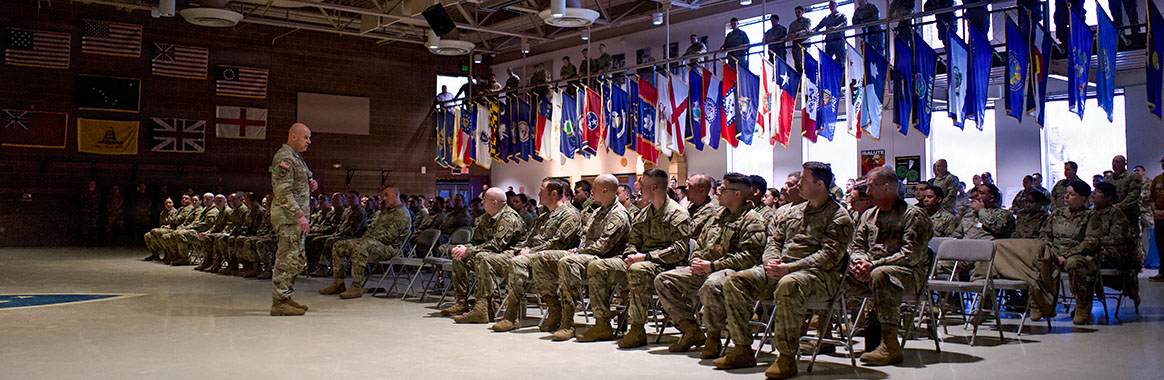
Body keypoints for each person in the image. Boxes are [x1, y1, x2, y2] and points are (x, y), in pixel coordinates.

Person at [713, 162, 854, 378]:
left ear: (819, 184)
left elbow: (829, 256)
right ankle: (742, 349)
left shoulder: (839, 216)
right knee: (736, 280)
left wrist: (790, 268)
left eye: (804, 180)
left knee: (790, 284)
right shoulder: (792, 212)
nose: (798, 185)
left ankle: (786, 358)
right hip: (783, 270)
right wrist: (771, 262)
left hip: (820, 277)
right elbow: (774, 240)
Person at [654, 173, 765, 355]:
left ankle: (713, 336)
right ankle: (691, 330)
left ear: (737, 194)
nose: (718, 192)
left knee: (711, 285)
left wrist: (713, 266)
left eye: (723, 189)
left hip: (732, 272)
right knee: (664, 280)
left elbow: (749, 257)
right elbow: (699, 244)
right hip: (706, 268)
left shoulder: (752, 219)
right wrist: (696, 261)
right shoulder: (717, 217)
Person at [579, 169, 693, 347]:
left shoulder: (677, 213)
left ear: (654, 187)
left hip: (667, 265)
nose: (638, 189)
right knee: (597, 266)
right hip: (640, 261)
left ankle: (637, 329)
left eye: (643, 185)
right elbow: (632, 240)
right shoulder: (644, 213)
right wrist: (630, 255)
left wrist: (646, 257)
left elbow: (679, 251)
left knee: (638, 270)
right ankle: (602, 324)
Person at [846, 166, 933, 367]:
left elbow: (910, 255)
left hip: (908, 274)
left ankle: (890, 345)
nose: (867, 192)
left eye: (871, 186)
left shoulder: (913, 215)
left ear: (886, 187)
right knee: (835, 273)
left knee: (881, 274)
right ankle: (822, 334)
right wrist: (859, 263)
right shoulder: (869, 215)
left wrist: (872, 265)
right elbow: (856, 246)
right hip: (870, 271)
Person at [533, 174, 630, 341]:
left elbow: (602, 247)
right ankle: (555, 309)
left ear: (604, 191)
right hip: (588, 255)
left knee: (568, 262)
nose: (591, 192)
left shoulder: (618, 214)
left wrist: (578, 253)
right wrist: (578, 250)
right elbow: (585, 237)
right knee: (541, 258)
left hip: (609, 259)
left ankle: (568, 322)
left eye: (594, 189)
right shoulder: (598, 212)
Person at [491, 178, 582, 331]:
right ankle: (499, 309)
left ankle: (514, 315)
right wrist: (523, 249)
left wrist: (530, 251)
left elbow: (558, 243)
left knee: (519, 262)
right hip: (536, 255)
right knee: (504, 258)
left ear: (554, 194)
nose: (538, 194)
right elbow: (530, 238)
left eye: (541, 190)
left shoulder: (569, 214)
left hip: (557, 258)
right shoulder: (545, 215)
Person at [440, 188, 526, 321]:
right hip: (490, 253)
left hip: (511, 254)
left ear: (494, 202)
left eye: (485, 199)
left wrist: (469, 251)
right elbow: (477, 241)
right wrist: (464, 248)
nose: (482, 202)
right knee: (459, 257)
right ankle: (461, 302)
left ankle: (483, 307)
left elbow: (497, 245)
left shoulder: (508, 218)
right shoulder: (486, 217)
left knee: (482, 257)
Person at [320, 185, 411, 299]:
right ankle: (339, 283)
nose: (384, 198)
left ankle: (356, 286)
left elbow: (389, 237)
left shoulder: (402, 214)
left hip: (389, 248)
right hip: (374, 243)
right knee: (339, 245)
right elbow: (372, 228)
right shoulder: (386, 211)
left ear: (396, 195)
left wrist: (367, 239)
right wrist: (365, 238)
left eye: (387, 195)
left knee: (360, 246)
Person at [268, 122, 317, 316]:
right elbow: (283, 192)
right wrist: (299, 215)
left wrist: (310, 182)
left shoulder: (296, 157)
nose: (309, 142)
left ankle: (286, 296)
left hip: (295, 219)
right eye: (306, 137)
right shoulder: (285, 157)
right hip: (288, 218)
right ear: (293, 136)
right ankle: (279, 302)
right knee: (286, 259)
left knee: (295, 259)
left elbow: (301, 179)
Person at [1041, 180, 1099, 325]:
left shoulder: (1091, 216)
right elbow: (1045, 235)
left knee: (1074, 264)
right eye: (1067, 193)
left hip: (1079, 255)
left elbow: (1091, 241)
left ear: (1083, 198)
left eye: (1072, 194)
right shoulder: (1057, 213)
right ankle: (1040, 303)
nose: (1066, 197)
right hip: (1055, 253)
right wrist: (1054, 253)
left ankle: (1082, 306)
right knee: (1039, 260)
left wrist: (1066, 255)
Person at [1089, 182, 1139, 313]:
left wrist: (1093, 241)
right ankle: (1082, 301)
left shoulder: (1116, 214)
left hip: (1113, 253)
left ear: (1108, 197)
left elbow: (1117, 238)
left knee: (1086, 261)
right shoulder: (1089, 213)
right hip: (1093, 250)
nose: (1094, 193)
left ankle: (1084, 304)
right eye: (1095, 190)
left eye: (1099, 192)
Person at [1106, 155, 1144, 253]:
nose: (1115, 164)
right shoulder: (1108, 179)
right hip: (1112, 217)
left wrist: (1119, 206)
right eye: (1113, 162)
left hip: (1128, 215)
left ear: (1124, 164)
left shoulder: (1132, 177)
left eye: (1118, 162)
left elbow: (1133, 195)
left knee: (1131, 241)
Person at [143, 196, 180, 261]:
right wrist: (163, 226)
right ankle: (155, 254)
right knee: (147, 235)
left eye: (169, 203)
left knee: (154, 231)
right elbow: (161, 223)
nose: (168, 205)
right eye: (166, 203)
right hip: (163, 229)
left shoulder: (176, 212)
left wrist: (170, 226)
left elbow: (177, 223)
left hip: (172, 230)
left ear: (173, 203)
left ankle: (168, 254)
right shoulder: (163, 213)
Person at [687, 173, 721, 239]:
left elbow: (690, 232)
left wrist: (682, 210)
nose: (686, 189)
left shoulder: (711, 207)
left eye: (690, 186)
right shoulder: (694, 204)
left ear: (702, 191)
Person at [813, 0, 847, 65]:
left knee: (840, 62)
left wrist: (835, 28)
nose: (831, 7)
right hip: (829, 42)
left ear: (837, 5)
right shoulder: (827, 17)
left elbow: (844, 24)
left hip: (838, 41)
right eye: (830, 5)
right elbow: (819, 26)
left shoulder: (841, 16)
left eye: (833, 5)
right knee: (828, 62)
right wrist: (813, 30)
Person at [1149, 154, 1164, 282]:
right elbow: (1152, 199)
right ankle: (1162, 272)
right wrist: (1155, 211)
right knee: (1160, 245)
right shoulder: (1157, 179)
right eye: (1162, 162)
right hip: (1159, 218)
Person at [788, 6, 811, 72]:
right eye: (796, 12)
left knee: (804, 62)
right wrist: (791, 35)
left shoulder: (807, 21)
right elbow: (789, 33)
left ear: (802, 12)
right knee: (797, 63)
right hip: (795, 45)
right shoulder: (793, 24)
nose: (797, 14)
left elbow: (806, 30)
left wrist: (796, 34)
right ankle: (799, 76)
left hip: (804, 43)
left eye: (799, 12)